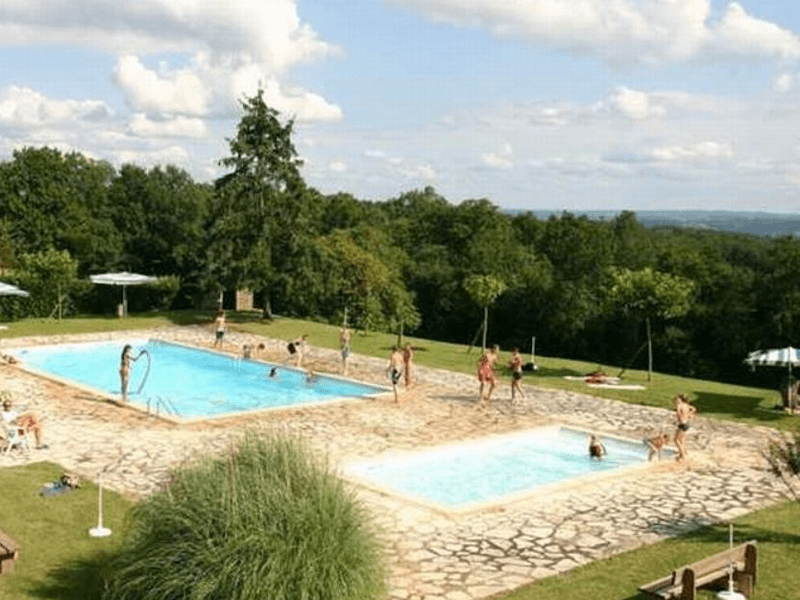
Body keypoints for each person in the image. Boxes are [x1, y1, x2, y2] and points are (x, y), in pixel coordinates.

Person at [673, 393, 697, 462]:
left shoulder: (679, 405)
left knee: (676, 440)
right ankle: (683, 453)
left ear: (680, 399)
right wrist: (690, 415)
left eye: (677, 399)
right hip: (687, 422)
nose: (676, 400)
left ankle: (682, 455)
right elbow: (693, 409)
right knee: (682, 439)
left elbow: (678, 414)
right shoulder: (687, 405)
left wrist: (678, 420)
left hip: (682, 423)